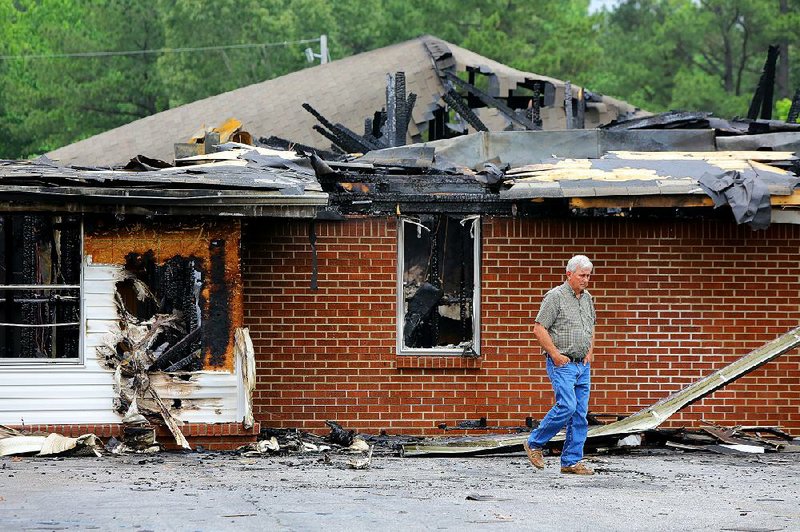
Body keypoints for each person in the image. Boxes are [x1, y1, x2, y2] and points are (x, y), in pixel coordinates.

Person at [523, 254, 596, 475]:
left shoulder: (587, 298)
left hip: (582, 365)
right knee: (567, 406)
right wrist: (555, 354)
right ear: (569, 274)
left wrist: (589, 352)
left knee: (580, 414)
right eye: (582, 275)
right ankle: (535, 442)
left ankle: (571, 462)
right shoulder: (555, 297)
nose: (586, 279)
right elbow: (539, 328)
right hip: (562, 363)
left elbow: (591, 327)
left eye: (588, 276)